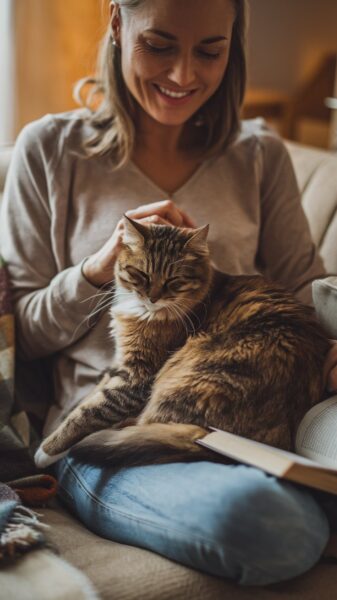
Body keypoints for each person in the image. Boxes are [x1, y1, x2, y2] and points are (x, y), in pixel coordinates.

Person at [1, 0, 337, 586]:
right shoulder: (51, 150)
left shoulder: (258, 155)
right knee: (275, 527)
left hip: (258, 420)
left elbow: (308, 293)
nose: (184, 76)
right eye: (159, 46)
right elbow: (21, 337)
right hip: (115, 430)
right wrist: (96, 270)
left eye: (210, 50)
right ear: (116, 25)